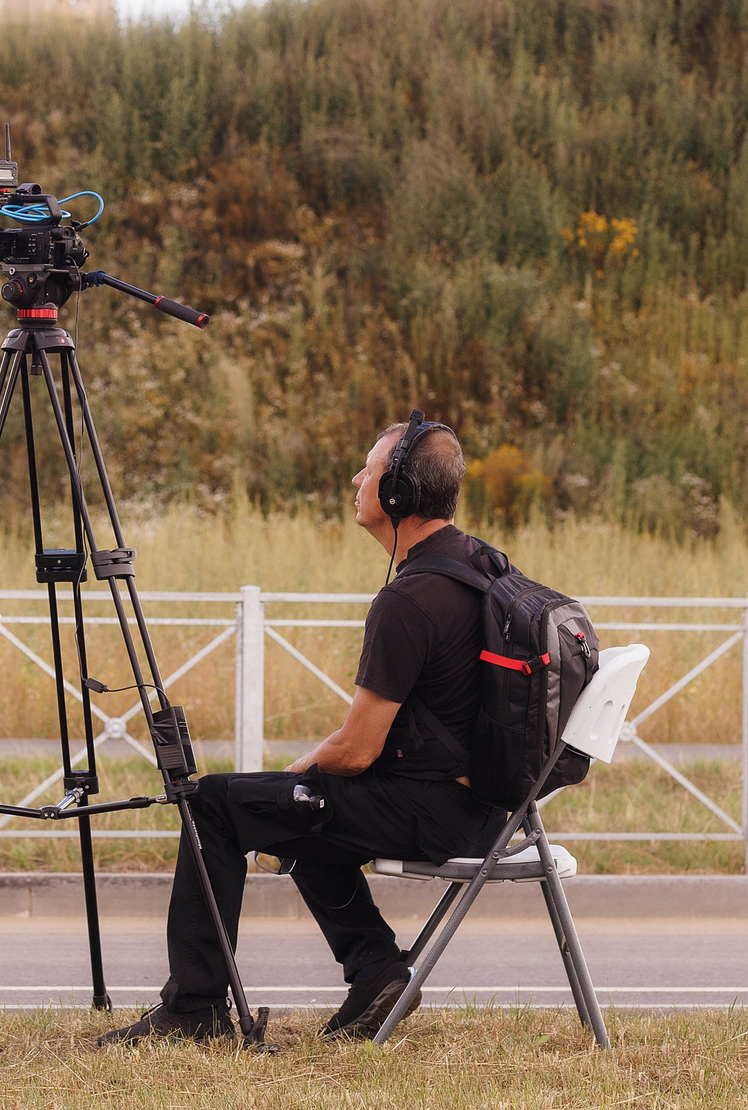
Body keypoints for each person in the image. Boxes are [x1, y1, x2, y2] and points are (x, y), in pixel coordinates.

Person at [97, 414, 507, 1046]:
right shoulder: (485, 566)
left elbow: (356, 749)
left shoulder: (410, 599)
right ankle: (375, 972)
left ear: (395, 495)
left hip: (437, 812)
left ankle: (193, 1010)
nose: (355, 478)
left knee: (214, 803)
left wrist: (294, 774)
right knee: (302, 806)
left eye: (368, 470)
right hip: (493, 810)